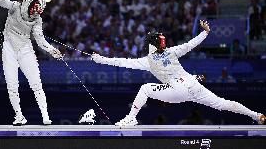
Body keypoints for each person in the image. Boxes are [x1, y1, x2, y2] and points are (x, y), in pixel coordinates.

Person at [92, 20, 265, 126]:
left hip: (178, 91)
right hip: (193, 85)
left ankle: (131, 118)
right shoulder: (172, 51)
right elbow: (191, 44)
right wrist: (205, 32)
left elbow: (121, 62)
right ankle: (256, 115)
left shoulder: (147, 61)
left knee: (145, 88)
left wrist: (100, 59)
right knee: (221, 103)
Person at [0, 0, 63, 125]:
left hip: (25, 49)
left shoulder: (37, 20)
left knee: (36, 84)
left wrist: (52, 50)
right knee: (12, 86)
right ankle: (19, 116)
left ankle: (45, 116)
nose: (34, 14)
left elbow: (40, 40)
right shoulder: (16, 7)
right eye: (33, 10)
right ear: (29, 3)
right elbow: (4, 3)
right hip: (9, 49)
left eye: (37, 12)